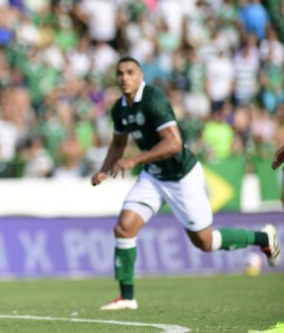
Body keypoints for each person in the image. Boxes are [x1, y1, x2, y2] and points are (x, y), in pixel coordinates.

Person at [92, 57, 280, 310]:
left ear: (141, 76)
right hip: (153, 176)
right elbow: (118, 143)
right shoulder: (120, 109)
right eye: (120, 73)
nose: (124, 77)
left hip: (181, 176)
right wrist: (104, 170)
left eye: (130, 72)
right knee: (124, 227)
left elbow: (174, 143)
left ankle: (262, 238)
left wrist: (133, 160)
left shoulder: (154, 100)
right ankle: (127, 297)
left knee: (205, 242)